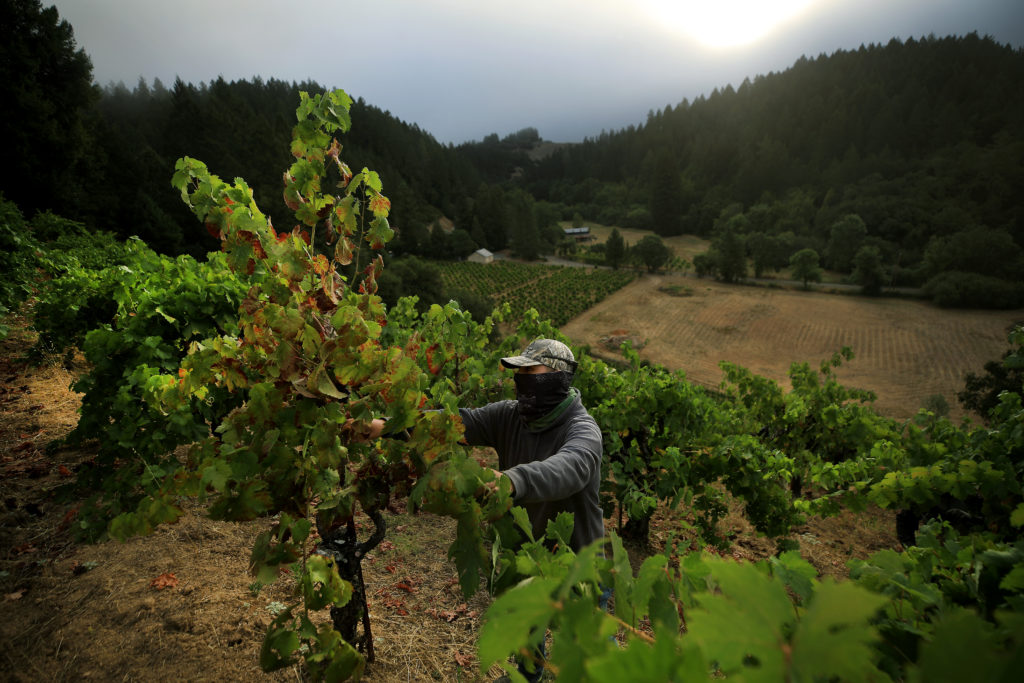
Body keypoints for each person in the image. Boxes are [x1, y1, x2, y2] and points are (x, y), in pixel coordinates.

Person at [370, 338, 605, 681]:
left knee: (589, 663)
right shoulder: (510, 415)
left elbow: (571, 468)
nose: (522, 379)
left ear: (560, 377)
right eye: (518, 372)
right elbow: (452, 423)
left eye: (530, 371)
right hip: (528, 552)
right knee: (526, 634)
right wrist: (385, 426)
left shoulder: (583, 430)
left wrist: (512, 481)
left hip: (579, 562)